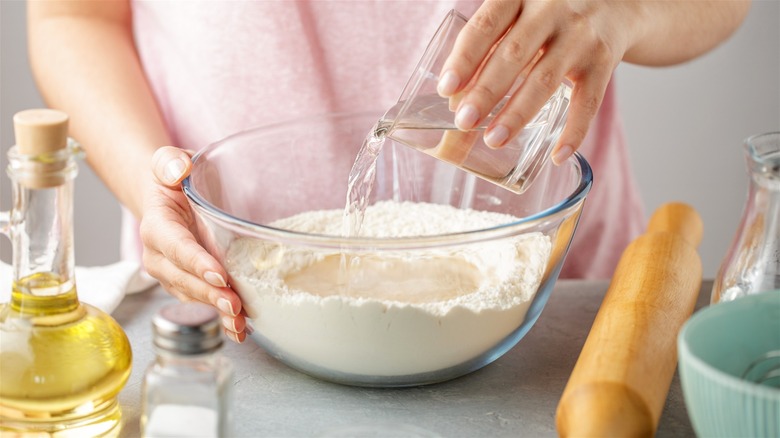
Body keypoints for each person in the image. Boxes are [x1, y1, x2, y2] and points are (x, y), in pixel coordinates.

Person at [27, 0, 749, 343]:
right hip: (224, 301)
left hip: (554, 307)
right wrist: (150, 183)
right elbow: (71, 16)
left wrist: (621, 11)